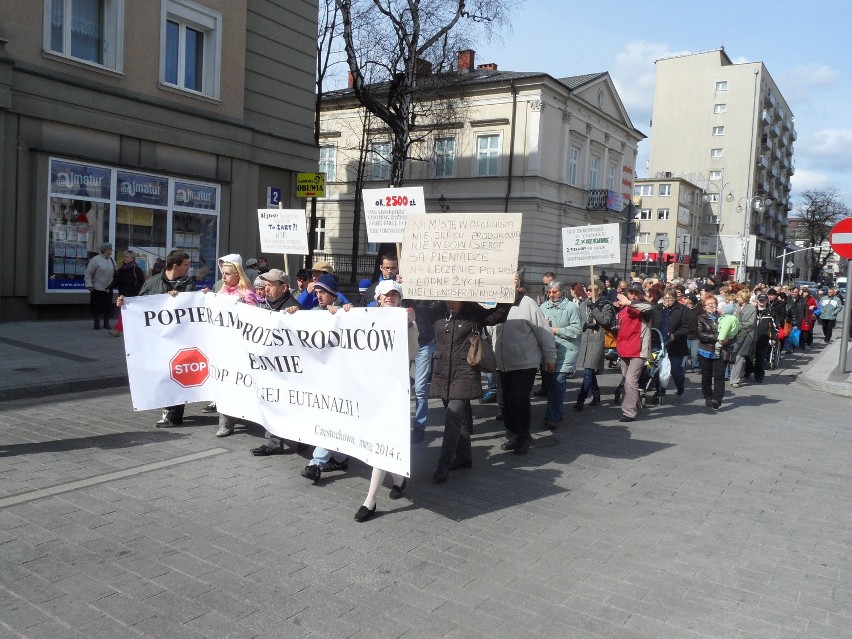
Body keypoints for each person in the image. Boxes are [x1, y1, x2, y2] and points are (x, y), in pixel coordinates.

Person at [430, 292, 515, 483]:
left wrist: (510, 291)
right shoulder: (436, 310)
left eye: (454, 297)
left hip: (465, 372)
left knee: (452, 416)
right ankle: (464, 457)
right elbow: (416, 312)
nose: (450, 301)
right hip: (443, 372)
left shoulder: (473, 312)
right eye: (447, 297)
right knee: (458, 420)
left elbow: (498, 315)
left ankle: (444, 464)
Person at [354, 280, 419, 522]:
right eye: (386, 294)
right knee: (379, 438)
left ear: (400, 298)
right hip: (371, 389)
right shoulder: (365, 316)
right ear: (378, 298)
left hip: (394, 389)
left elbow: (413, 352)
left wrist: (410, 324)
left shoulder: (406, 319)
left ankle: (369, 501)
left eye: (395, 294)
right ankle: (399, 480)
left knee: (382, 442)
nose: (390, 297)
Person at [116, 250, 196, 427]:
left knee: (176, 374)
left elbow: (194, 307)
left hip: (180, 339)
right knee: (163, 374)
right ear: (175, 266)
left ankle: (173, 414)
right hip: (158, 339)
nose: (188, 269)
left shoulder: (189, 284)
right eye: (186, 265)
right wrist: (125, 303)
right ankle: (170, 409)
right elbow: (140, 306)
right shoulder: (153, 283)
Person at [295, 274, 353, 483]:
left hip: (340, 378)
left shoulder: (345, 311)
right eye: (317, 293)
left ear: (333, 294)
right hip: (319, 377)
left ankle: (315, 464)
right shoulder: (313, 314)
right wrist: (294, 311)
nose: (319, 297)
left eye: (323, 293)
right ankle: (340, 457)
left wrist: (345, 314)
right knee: (328, 419)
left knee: (331, 419)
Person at [249, 269, 305, 455]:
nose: (266, 288)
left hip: (288, 368)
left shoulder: (294, 308)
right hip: (269, 365)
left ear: (284, 287)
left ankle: (296, 438)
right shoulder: (264, 305)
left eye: (271, 285)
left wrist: (296, 315)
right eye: (265, 284)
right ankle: (274, 440)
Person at [494, 290, 557, 453]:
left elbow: (544, 332)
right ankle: (512, 434)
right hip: (502, 362)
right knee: (504, 401)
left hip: (525, 362)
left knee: (518, 398)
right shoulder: (496, 304)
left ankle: (523, 435)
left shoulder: (528, 304)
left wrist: (550, 357)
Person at [206, 259, 260, 438]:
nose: (224, 276)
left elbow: (254, 317)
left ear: (238, 275)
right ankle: (226, 422)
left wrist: (243, 305)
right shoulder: (220, 291)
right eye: (223, 273)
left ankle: (244, 413)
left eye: (227, 273)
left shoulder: (247, 293)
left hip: (240, 346)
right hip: (223, 346)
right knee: (225, 382)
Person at [537, 281, 581, 427]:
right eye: (549, 292)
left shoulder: (571, 307)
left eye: (554, 292)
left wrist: (556, 330)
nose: (551, 295)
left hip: (566, 350)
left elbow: (576, 330)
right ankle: (557, 411)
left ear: (562, 291)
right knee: (550, 382)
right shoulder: (543, 307)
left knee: (557, 382)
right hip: (549, 351)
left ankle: (552, 417)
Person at [615, 283, 653, 422]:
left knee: (631, 380)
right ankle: (635, 404)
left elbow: (648, 307)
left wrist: (629, 302)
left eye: (636, 293)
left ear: (641, 294)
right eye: (631, 293)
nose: (633, 295)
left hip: (638, 350)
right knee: (627, 380)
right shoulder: (623, 309)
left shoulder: (644, 307)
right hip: (624, 348)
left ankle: (629, 412)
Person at [572, 282, 614, 411]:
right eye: (588, 289)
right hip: (585, 338)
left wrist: (594, 308)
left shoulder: (605, 304)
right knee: (589, 368)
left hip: (596, 339)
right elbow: (579, 319)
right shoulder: (583, 303)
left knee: (589, 369)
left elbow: (605, 321)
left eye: (592, 290)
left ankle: (581, 398)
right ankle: (596, 395)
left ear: (599, 291)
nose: (589, 292)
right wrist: (583, 325)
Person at [409, 299, 445, 443]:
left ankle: (419, 426)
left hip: (424, 344)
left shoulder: (434, 299)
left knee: (420, 388)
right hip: (403, 343)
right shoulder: (401, 294)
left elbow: (433, 311)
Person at [651, 287, 690, 399]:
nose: (668, 300)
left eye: (671, 298)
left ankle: (680, 385)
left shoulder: (682, 309)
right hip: (659, 343)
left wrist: (674, 335)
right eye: (666, 297)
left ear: (675, 298)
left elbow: (685, 327)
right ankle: (660, 391)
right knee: (659, 368)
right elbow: (652, 323)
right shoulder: (657, 308)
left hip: (675, 344)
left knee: (675, 370)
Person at [696, 295, 733, 411]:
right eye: (708, 304)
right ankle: (708, 396)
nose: (711, 305)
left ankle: (717, 399)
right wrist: (718, 337)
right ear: (704, 307)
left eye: (713, 303)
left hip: (721, 351)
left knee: (719, 376)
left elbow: (731, 331)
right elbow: (701, 335)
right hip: (705, 350)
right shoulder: (701, 318)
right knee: (706, 376)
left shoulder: (723, 317)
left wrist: (728, 338)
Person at [107, 249, 145, 337]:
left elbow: (141, 283)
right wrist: (110, 287)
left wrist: (133, 291)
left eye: (127, 257)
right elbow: (117, 280)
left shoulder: (137, 269)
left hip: (133, 296)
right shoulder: (122, 269)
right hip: (123, 295)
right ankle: (134, 330)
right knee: (126, 313)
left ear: (132, 258)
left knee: (125, 313)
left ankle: (117, 329)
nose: (125, 258)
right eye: (124, 256)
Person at [84, 242, 116, 330]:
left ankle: (106, 324)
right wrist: (89, 284)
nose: (111, 250)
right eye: (110, 249)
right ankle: (96, 324)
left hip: (108, 288)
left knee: (107, 307)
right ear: (105, 250)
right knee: (97, 307)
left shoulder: (111, 260)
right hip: (97, 288)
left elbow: (115, 272)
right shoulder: (95, 260)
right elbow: (88, 273)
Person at [730, 290, 756, 388]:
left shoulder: (752, 309)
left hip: (746, 335)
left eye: (739, 297)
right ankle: (731, 375)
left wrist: (737, 324)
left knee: (739, 356)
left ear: (744, 298)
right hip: (734, 334)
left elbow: (750, 323)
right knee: (732, 355)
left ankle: (735, 379)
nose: (737, 299)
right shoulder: (735, 307)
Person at [752, 294, 776, 383]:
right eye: (760, 300)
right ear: (757, 300)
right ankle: (748, 371)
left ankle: (759, 376)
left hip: (763, 339)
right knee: (748, 357)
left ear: (766, 301)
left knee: (760, 359)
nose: (761, 301)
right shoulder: (753, 311)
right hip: (751, 338)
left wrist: (773, 338)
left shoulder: (770, 312)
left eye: (763, 300)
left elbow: (774, 327)